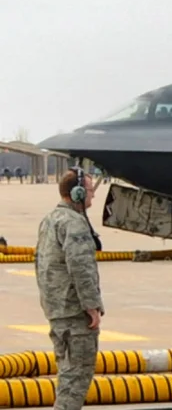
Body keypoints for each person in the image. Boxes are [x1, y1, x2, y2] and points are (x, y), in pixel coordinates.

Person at [35, 167, 103, 410]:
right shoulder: (73, 223)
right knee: (77, 378)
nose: (93, 196)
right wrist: (92, 307)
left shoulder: (50, 219)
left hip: (57, 310)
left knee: (67, 374)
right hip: (75, 313)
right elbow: (80, 266)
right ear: (77, 193)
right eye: (91, 191)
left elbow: (40, 264)